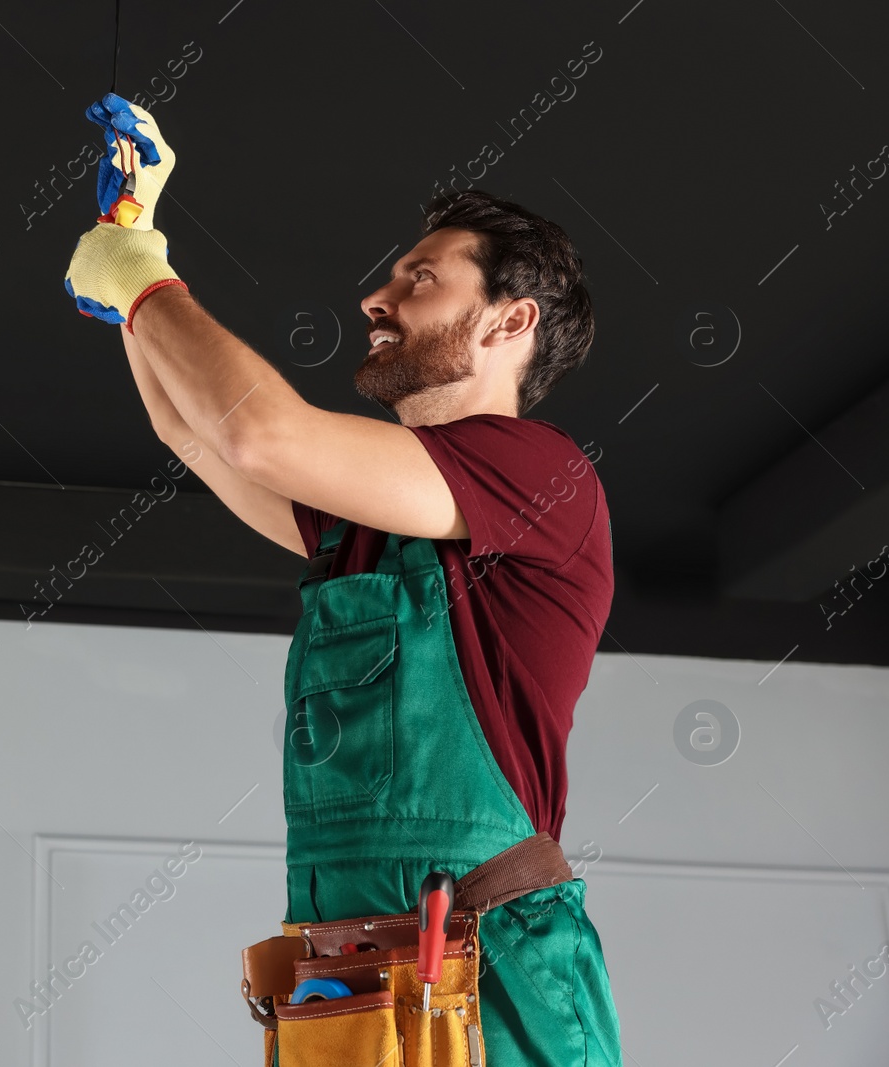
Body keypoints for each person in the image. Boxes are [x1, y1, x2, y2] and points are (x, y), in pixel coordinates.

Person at [66, 95, 622, 1065]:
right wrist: (130, 246)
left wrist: (149, 290)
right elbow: (195, 431)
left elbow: (259, 431)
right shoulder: (366, 523)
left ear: (511, 320)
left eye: (419, 278)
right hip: (345, 991)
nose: (375, 297)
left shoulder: (540, 474)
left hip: (490, 977)